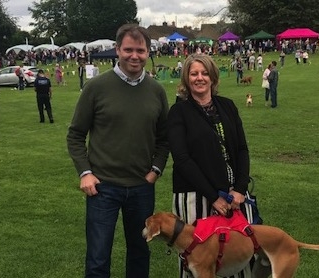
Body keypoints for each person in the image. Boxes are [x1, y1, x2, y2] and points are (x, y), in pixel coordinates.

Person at [66, 23, 169, 278]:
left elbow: (165, 138)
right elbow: (76, 135)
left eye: (140, 50)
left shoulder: (156, 91)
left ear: (148, 52)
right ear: (117, 50)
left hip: (141, 187)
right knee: (98, 257)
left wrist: (156, 170)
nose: (134, 56)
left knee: (139, 253)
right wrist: (85, 173)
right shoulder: (96, 87)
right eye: (128, 49)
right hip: (103, 187)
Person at [167, 54, 266, 278]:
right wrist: (213, 196)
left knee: (237, 254)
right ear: (186, 78)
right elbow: (182, 159)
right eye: (194, 74)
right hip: (195, 196)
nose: (199, 78)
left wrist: (240, 189)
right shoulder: (179, 112)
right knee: (200, 260)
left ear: (212, 77)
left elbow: (241, 149)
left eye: (204, 73)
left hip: (234, 196)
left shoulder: (228, 106)